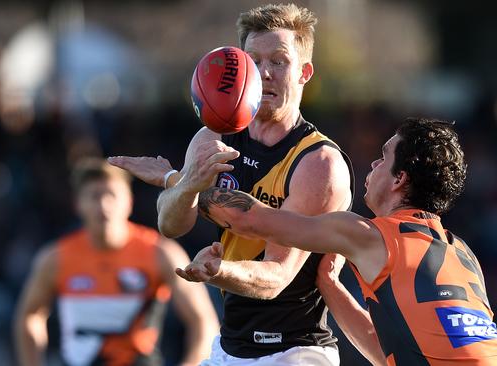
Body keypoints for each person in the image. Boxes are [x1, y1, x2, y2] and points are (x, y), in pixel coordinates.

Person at [108, 3, 387, 365]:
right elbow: (171, 222)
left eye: (279, 61)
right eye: (254, 60)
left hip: (295, 350)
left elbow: (276, 277)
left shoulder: (318, 164)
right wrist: (184, 185)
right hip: (228, 347)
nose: (265, 72)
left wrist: (217, 271)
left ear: (304, 72)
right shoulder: (213, 136)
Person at [197, 117, 497, 365]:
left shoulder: (370, 235)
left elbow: (253, 220)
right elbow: (387, 355)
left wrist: (179, 182)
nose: (374, 164)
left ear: (399, 179)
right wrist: (330, 285)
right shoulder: (464, 255)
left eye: (383, 156)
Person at [13, 158, 220, 366]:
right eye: (94, 196)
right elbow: (29, 316)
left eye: (111, 195)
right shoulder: (55, 258)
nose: (104, 205)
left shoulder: (160, 253)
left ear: (129, 201)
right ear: (78, 204)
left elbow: (203, 322)